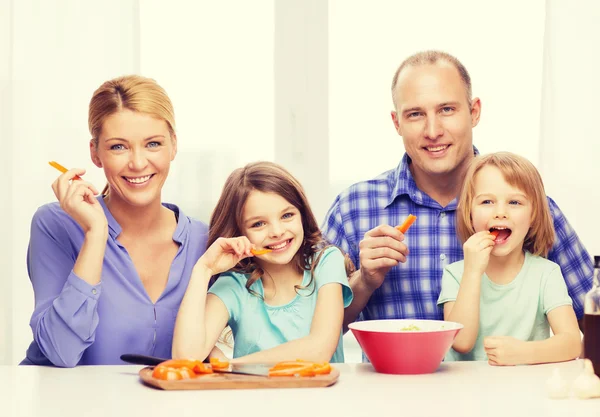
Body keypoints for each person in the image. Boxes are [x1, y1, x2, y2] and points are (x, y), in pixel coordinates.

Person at [321, 50, 593, 336]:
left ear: (474, 112)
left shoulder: (528, 209)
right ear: (397, 122)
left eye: (447, 110)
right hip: (396, 381)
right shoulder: (353, 208)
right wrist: (364, 282)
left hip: (507, 379)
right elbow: (313, 331)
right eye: (415, 114)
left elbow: (591, 316)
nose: (433, 130)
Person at [21, 75, 210, 367]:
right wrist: (96, 234)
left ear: (173, 145)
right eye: (118, 147)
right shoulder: (55, 224)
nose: (137, 163)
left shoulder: (204, 242)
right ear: (95, 153)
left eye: (153, 144)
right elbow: (61, 351)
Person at [172, 161, 353, 363]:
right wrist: (204, 269)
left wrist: (231, 366)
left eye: (287, 215)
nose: (277, 232)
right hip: (255, 395)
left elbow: (319, 349)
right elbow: (186, 357)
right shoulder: (234, 285)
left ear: (302, 215)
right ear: (240, 232)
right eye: (258, 224)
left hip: (320, 395)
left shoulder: (326, 262)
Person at [437, 152, 581, 365]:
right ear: (470, 213)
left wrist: (524, 353)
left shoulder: (546, 274)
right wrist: (472, 272)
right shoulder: (456, 274)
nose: (500, 212)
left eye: (514, 202)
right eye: (487, 201)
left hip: (523, 390)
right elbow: (461, 342)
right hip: (464, 391)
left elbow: (572, 343)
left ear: (533, 215)